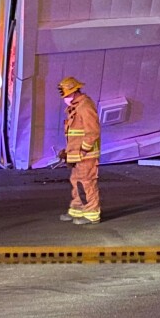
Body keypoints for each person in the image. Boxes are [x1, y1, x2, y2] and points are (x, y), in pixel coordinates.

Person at [57, 76, 101, 225]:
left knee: (86, 183)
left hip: (86, 155)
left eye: (68, 95)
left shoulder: (85, 106)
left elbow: (93, 132)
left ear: (75, 91)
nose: (66, 98)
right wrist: (68, 152)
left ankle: (91, 214)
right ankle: (77, 210)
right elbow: (75, 134)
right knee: (77, 182)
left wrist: (83, 151)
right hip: (77, 154)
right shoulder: (75, 107)